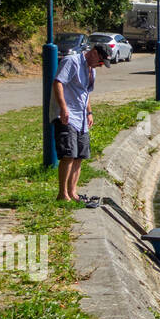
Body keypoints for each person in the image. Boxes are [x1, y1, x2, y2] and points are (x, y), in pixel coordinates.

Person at [51, 42, 112, 205]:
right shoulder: (71, 61)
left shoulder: (91, 71)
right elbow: (58, 83)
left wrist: (89, 112)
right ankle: (62, 194)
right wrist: (63, 108)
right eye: (100, 61)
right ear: (93, 52)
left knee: (80, 156)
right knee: (68, 154)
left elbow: (85, 93)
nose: (100, 66)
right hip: (67, 115)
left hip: (82, 118)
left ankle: (73, 192)